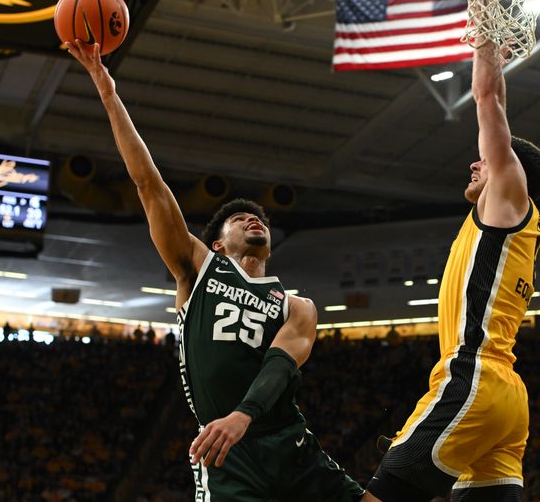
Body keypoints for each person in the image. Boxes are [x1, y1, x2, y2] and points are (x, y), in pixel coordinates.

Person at [66, 40, 362, 502]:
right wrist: (108, 92)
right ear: (218, 242)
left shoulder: (297, 307)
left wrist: (245, 414)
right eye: (239, 218)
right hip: (226, 453)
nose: (253, 218)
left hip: (286, 440)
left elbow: (280, 365)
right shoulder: (198, 269)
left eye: (259, 217)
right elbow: (148, 184)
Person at [363, 36, 540, 500]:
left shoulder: (509, 198)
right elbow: (498, 103)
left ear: (509, 171)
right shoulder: (506, 221)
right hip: (507, 396)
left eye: (484, 161)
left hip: (473, 376)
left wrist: (483, 25)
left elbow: (488, 100)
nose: (474, 162)